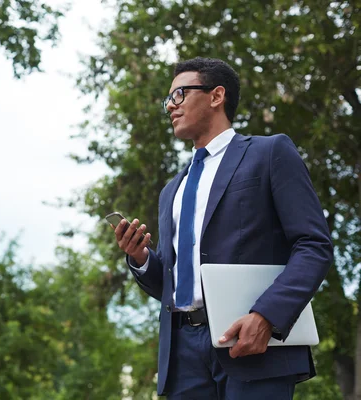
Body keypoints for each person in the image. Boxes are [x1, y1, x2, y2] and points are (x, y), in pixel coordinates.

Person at [113, 57, 333, 399]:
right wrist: (141, 258)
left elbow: (313, 245)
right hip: (182, 355)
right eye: (168, 99)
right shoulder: (173, 190)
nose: (171, 106)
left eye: (180, 94)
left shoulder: (269, 152)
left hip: (253, 342)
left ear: (217, 96)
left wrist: (266, 316)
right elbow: (172, 287)